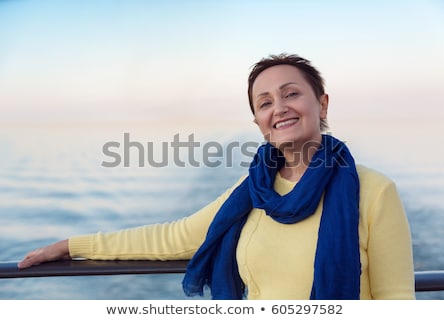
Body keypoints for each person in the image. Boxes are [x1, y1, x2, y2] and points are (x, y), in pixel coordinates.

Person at [18, 53, 415, 300]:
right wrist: (72, 246)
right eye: (264, 103)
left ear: (321, 102)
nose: (279, 108)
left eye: (291, 93)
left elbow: (397, 300)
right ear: (259, 120)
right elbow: (173, 237)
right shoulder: (252, 192)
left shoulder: (374, 192)